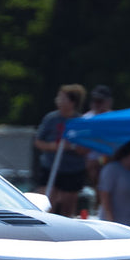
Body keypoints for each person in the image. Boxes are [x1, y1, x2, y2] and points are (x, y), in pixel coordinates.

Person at [34, 83, 88, 216]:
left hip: (72, 169)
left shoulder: (80, 122)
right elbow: (38, 142)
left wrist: (74, 148)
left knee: (67, 207)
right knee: (46, 203)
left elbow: (86, 148)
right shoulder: (51, 119)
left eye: (63, 98)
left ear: (72, 102)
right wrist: (53, 146)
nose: (58, 101)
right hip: (50, 166)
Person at [97, 139, 130, 232]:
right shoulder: (112, 169)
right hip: (114, 226)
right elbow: (105, 194)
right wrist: (110, 220)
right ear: (128, 153)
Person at [83, 85, 114, 189]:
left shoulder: (114, 120)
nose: (96, 104)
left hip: (108, 161)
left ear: (108, 102)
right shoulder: (85, 119)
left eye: (100, 101)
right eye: (94, 100)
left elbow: (115, 149)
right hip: (87, 163)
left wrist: (99, 161)